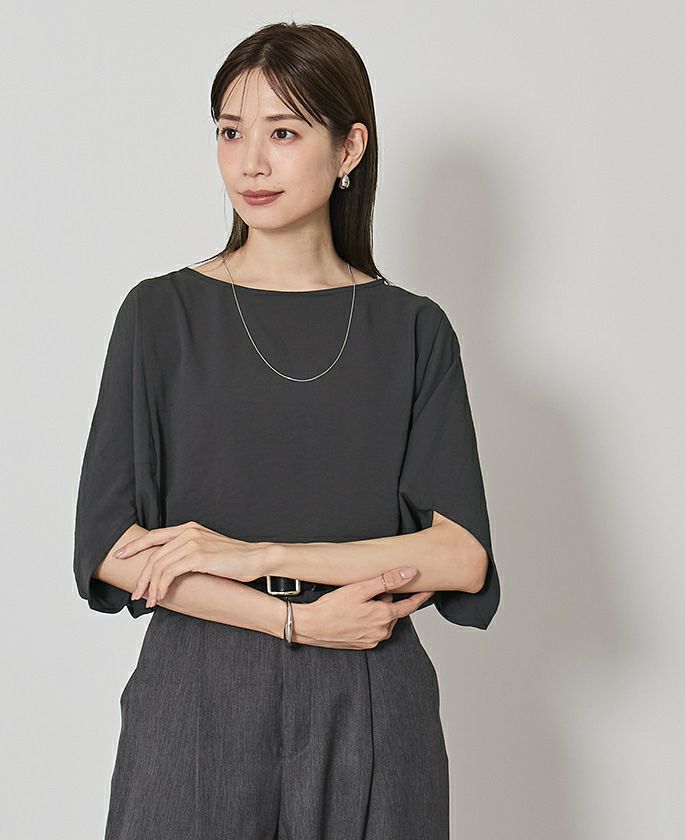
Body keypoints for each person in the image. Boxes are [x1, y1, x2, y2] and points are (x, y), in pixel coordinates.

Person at [72, 20, 500, 840]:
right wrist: (296, 620)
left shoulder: (412, 330)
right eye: (230, 132)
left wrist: (259, 556)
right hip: (198, 689)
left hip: (371, 690)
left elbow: (460, 555)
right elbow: (111, 549)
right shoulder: (162, 315)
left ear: (349, 149)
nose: (250, 164)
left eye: (284, 133)